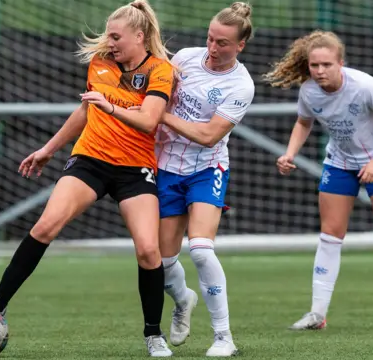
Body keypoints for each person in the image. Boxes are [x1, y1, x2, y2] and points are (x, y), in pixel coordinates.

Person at [0, 0, 176, 356]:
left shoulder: (160, 70)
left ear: (139, 36)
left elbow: (149, 120)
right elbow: (86, 110)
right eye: (108, 35)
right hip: (90, 160)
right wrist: (48, 149)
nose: (108, 41)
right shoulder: (101, 63)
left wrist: (110, 105)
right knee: (46, 225)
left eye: (116, 36)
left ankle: (153, 334)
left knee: (148, 249)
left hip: (135, 168)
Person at [262, 30, 373, 330]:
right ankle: (317, 315)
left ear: (340, 63)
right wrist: (289, 153)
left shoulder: (364, 86)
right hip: (339, 163)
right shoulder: (308, 91)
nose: (319, 71)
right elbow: (303, 122)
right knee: (330, 234)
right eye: (314, 65)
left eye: (326, 65)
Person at [153, 2, 254, 356]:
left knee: (199, 249)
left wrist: (161, 116)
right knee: (161, 261)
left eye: (223, 43)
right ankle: (183, 300)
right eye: (210, 38)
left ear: (240, 45)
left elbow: (210, 135)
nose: (213, 48)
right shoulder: (185, 57)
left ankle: (224, 337)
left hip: (207, 167)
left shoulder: (241, 85)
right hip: (166, 167)